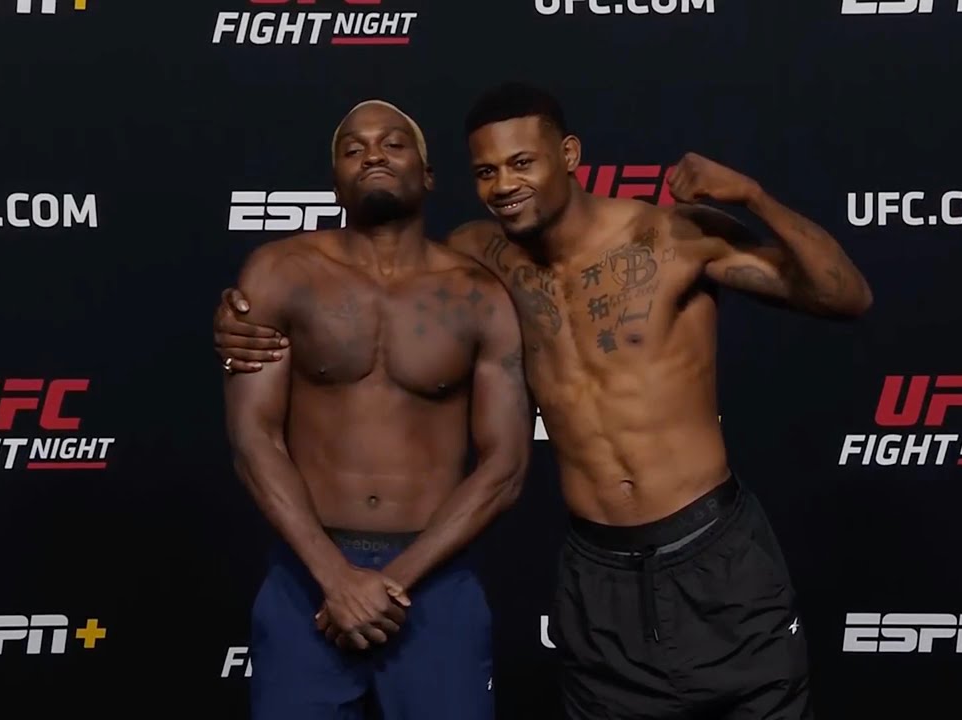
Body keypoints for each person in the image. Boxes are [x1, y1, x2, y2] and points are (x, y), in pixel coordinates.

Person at [216, 83, 873, 719]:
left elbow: (845, 296)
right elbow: (386, 282)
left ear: (569, 155)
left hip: (712, 545)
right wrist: (236, 321)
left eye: (522, 162)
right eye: (487, 172)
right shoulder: (481, 257)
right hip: (597, 566)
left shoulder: (669, 238)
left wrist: (755, 197)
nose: (505, 185)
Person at [222, 98, 531, 720]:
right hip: (307, 575)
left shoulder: (479, 294)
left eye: (393, 143)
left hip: (436, 580)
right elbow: (255, 440)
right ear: (335, 180)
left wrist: (391, 583)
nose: (372, 155)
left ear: (428, 173)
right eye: (353, 148)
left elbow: (506, 466)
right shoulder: (280, 273)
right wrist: (335, 577)